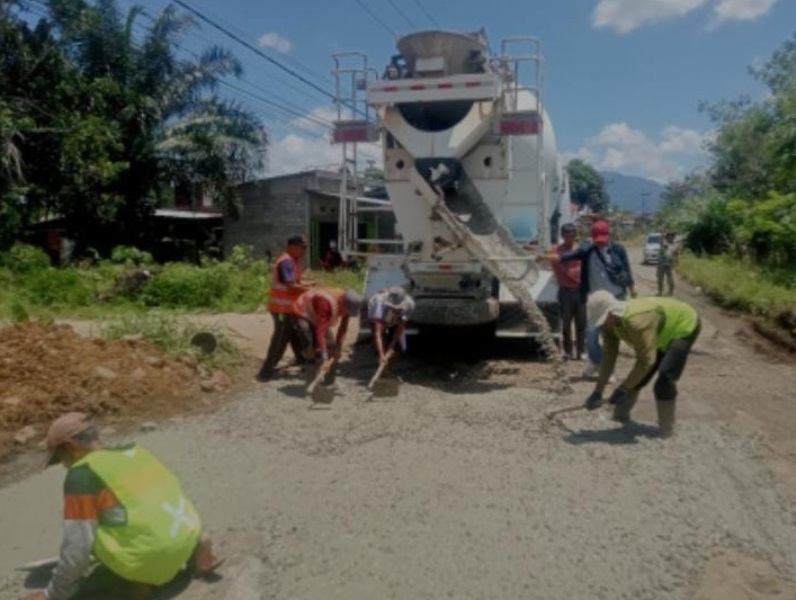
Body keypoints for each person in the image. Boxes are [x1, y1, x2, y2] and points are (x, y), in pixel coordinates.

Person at [24, 413, 221, 600]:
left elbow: (77, 547)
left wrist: (53, 594)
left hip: (147, 562)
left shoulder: (82, 474)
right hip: (185, 540)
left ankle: (138, 584)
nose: (64, 465)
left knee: (81, 525)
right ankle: (201, 549)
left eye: (60, 458)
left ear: (71, 446)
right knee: (147, 506)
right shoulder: (137, 452)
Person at [583, 291, 701, 437]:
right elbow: (608, 357)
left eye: (602, 321)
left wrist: (623, 388)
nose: (601, 326)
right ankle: (619, 417)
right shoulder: (609, 326)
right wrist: (598, 391)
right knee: (639, 377)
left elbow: (646, 360)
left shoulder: (637, 323)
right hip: (659, 333)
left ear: (611, 313)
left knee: (664, 379)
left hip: (682, 325)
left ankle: (666, 430)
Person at [537, 219, 637, 377]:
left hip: (617, 298)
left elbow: (627, 270)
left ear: (608, 236)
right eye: (598, 240)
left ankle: (609, 370)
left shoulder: (618, 249)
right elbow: (565, 257)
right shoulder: (587, 250)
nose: (601, 244)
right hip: (597, 300)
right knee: (591, 334)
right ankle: (595, 362)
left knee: (611, 336)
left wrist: (633, 290)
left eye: (603, 240)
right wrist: (543, 257)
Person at [256, 235, 314, 382]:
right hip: (281, 308)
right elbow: (291, 286)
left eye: (305, 247)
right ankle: (266, 372)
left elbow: (295, 282)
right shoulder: (286, 262)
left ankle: (301, 358)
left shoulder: (293, 261)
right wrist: (309, 289)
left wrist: (309, 284)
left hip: (289, 308)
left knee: (293, 333)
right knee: (280, 339)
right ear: (292, 247)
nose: (304, 251)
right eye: (302, 247)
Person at [293, 287, 363, 367]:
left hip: (318, 314)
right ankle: (307, 356)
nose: (348, 313)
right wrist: (324, 357)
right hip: (303, 310)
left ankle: (318, 355)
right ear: (342, 303)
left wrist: (338, 346)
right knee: (305, 330)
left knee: (330, 344)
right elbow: (320, 331)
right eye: (348, 311)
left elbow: (343, 327)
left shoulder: (347, 305)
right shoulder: (326, 303)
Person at [550, 223, 586, 360]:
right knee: (565, 324)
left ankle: (581, 351)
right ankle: (567, 351)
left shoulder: (581, 249)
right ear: (562, 236)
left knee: (581, 323)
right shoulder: (556, 250)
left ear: (575, 235)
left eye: (572, 235)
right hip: (565, 292)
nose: (569, 238)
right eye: (566, 235)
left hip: (580, 291)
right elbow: (541, 253)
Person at [367, 286, 415, 364]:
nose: (395, 310)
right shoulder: (379, 303)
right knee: (380, 344)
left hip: (393, 318)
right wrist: (381, 354)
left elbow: (399, 330)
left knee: (396, 348)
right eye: (394, 309)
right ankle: (380, 359)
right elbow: (378, 333)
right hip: (379, 315)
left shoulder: (410, 304)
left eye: (397, 309)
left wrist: (391, 348)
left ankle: (388, 367)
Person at [657, 231, 680, 296]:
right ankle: (660, 292)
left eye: (672, 236)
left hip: (669, 264)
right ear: (667, 237)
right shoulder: (664, 242)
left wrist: (677, 265)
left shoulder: (676, 245)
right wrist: (663, 234)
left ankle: (670, 292)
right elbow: (661, 239)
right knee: (660, 278)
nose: (671, 237)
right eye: (669, 236)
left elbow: (677, 255)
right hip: (661, 263)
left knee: (670, 279)